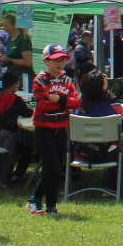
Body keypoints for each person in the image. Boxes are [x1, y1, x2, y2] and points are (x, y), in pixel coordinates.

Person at [28, 43, 79, 215]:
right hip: (44, 130)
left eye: (63, 59)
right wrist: (63, 102)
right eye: (55, 60)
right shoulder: (40, 80)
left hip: (61, 129)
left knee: (58, 169)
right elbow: (42, 106)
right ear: (46, 60)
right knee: (52, 168)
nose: (60, 63)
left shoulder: (67, 80)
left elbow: (76, 103)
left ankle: (51, 205)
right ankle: (34, 199)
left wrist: (59, 99)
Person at [73, 70, 123, 195]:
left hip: (82, 154)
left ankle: (113, 184)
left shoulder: (78, 109)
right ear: (101, 87)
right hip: (106, 154)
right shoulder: (110, 108)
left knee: (116, 146)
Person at [0, 70, 34, 186]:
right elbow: (27, 113)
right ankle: (6, 180)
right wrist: (29, 108)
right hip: (10, 132)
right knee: (9, 157)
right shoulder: (16, 99)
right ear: (13, 86)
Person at [0, 11, 33, 81]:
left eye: (6, 26)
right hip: (12, 76)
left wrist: (10, 60)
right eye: (3, 26)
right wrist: (2, 58)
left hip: (22, 77)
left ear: (14, 25)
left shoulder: (23, 38)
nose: (4, 28)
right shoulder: (10, 38)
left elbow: (27, 62)